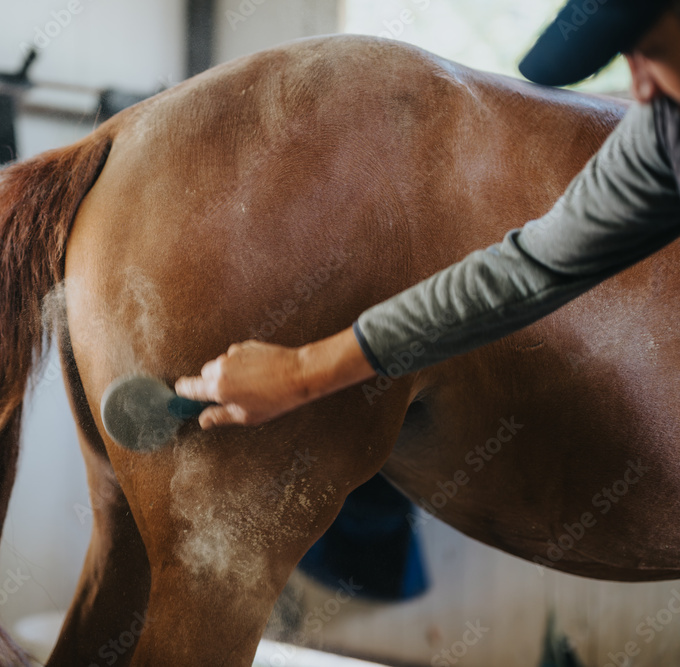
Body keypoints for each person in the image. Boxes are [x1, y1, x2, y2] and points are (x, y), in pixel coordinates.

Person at [174, 0, 680, 429]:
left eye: (656, 53)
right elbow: (530, 270)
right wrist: (301, 372)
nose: (640, 88)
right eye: (629, 57)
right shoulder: (661, 134)